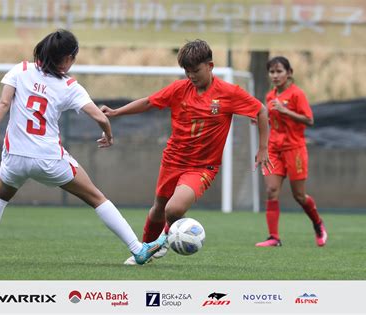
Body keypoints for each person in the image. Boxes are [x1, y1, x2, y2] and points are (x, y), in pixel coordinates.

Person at [0, 29, 165, 265]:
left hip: (15, 158)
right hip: (49, 159)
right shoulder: (69, 86)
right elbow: (100, 118)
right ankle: (137, 249)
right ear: (68, 58)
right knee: (97, 198)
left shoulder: (20, 70)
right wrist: (108, 135)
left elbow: (3, 104)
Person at [100, 39, 272, 265]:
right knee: (158, 210)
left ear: (210, 66)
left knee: (174, 209)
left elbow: (261, 110)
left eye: (196, 70)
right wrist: (115, 112)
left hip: (202, 167)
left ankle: (160, 242)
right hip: (172, 160)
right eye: (187, 71)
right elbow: (148, 102)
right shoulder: (179, 89)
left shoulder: (228, 93)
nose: (191, 76)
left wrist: (263, 148)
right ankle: (144, 252)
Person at [255, 56, 327, 247]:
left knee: (299, 196)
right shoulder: (270, 96)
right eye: (272, 72)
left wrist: (286, 111)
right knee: (271, 191)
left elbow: (309, 120)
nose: (275, 75)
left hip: (294, 149)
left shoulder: (296, 94)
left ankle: (318, 224)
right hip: (274, 149)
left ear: (289, 73)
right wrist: (261, 120)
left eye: (279, 71)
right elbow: (273, 121)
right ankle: (273, 237)